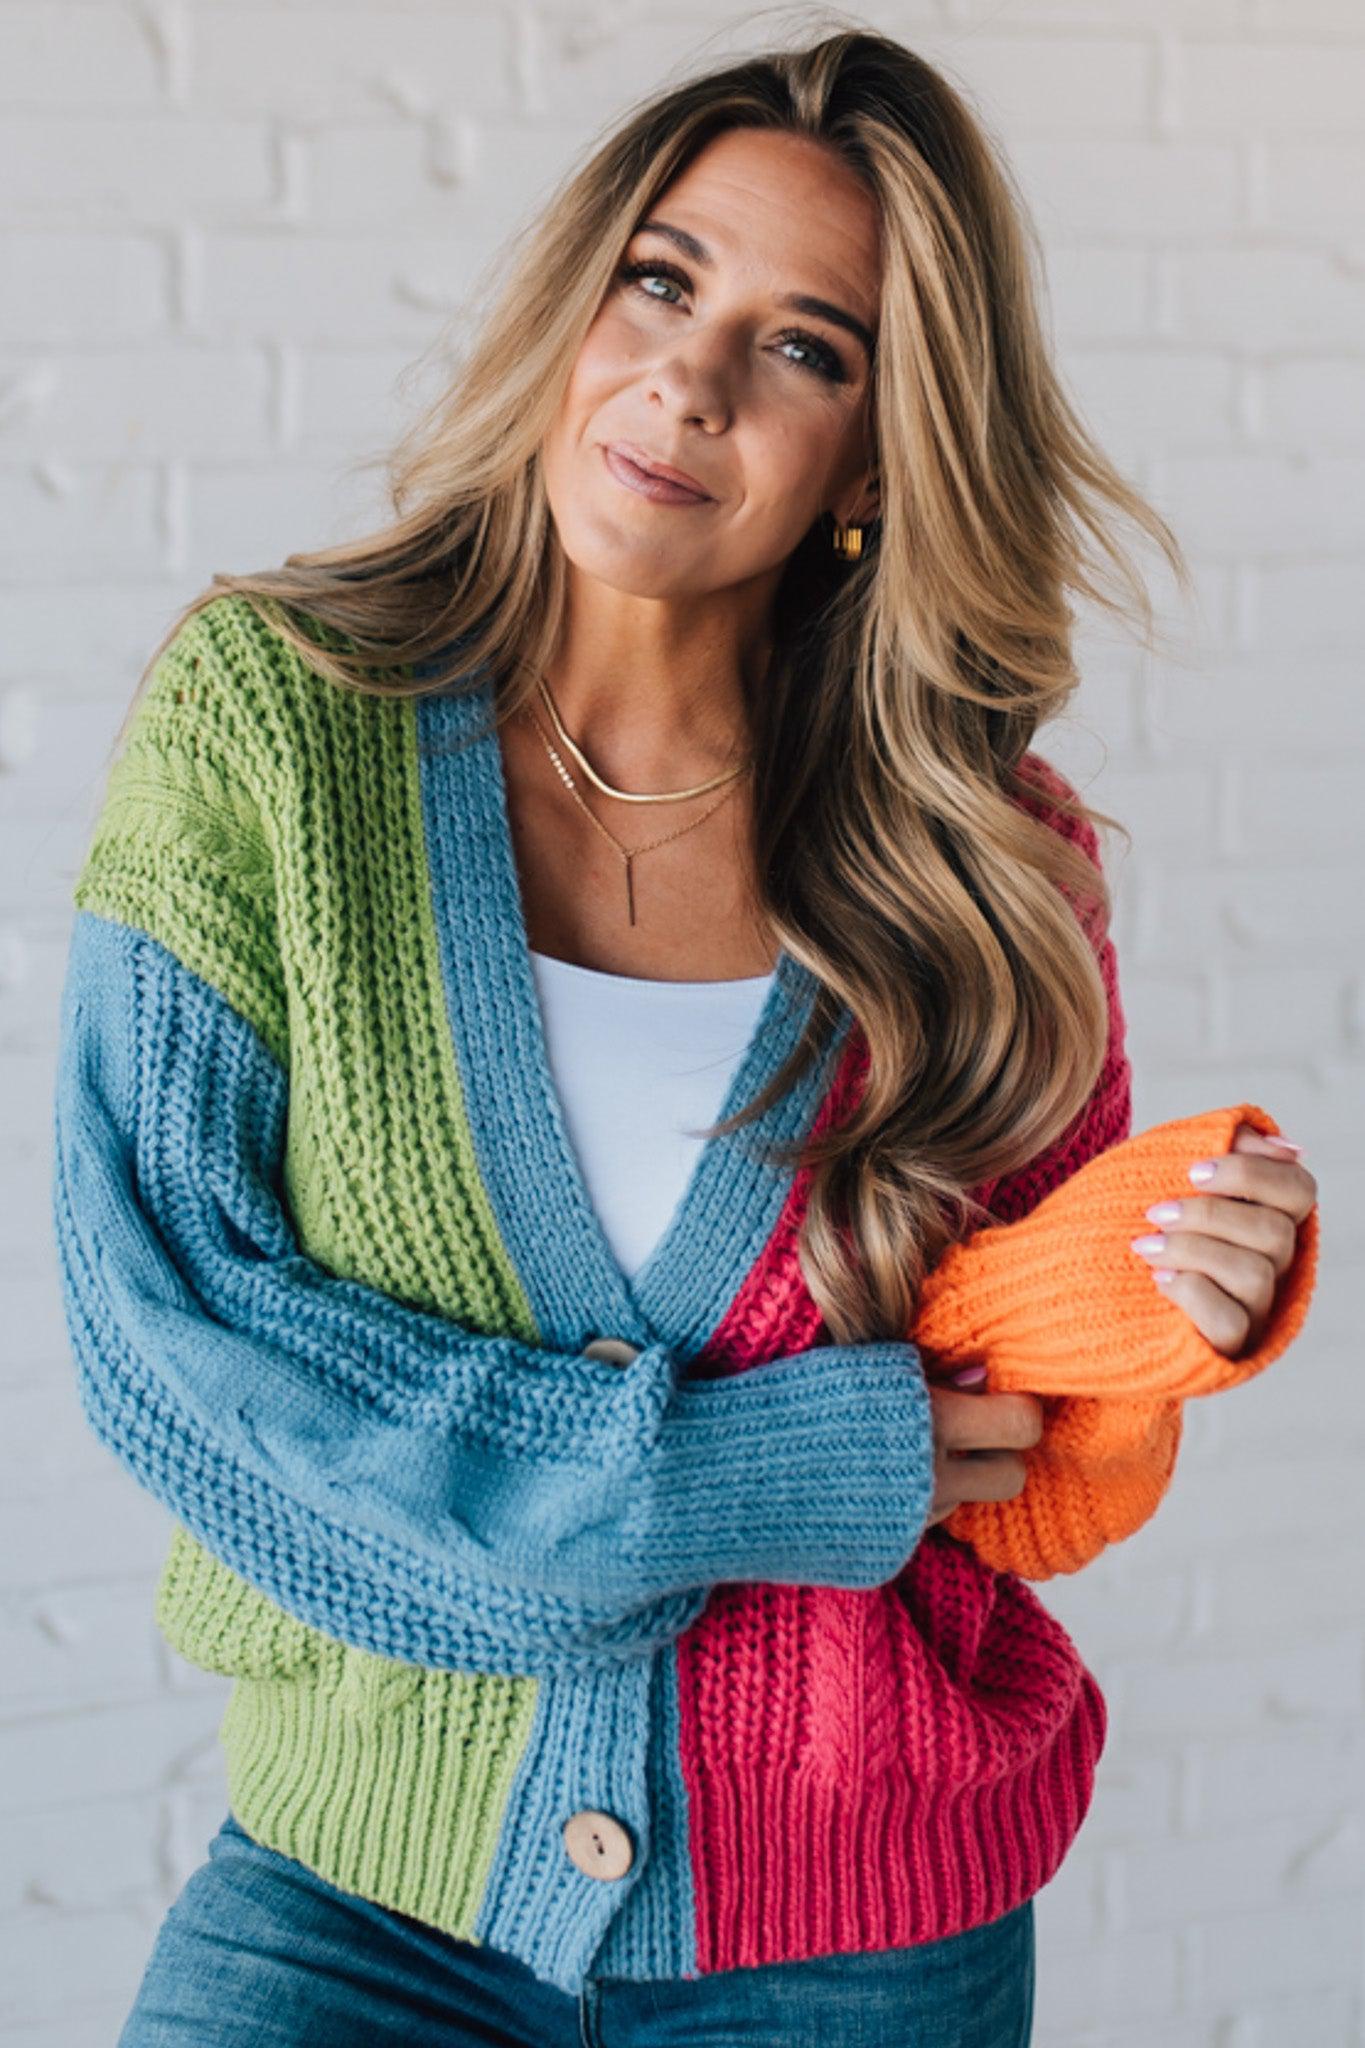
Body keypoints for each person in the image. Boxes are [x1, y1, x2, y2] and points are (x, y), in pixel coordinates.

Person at [49, 25, 1315, 2047]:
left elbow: (1006, 1444)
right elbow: (175, 1332)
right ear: (580, 295)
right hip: (359, 1895)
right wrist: (729, 1480)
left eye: (805, 348)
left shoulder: (985, 855)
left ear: (878, 456)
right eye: (663, 278)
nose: (692, 378)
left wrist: (1175, 1287)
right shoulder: (274, 727)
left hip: (857, 1937)